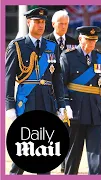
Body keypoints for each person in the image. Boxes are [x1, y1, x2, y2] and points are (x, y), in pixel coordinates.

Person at [5, 7, 68, 175]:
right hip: (26, 101)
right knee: (24, 147)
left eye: (43, 22)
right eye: (37, 21)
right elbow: (8, 78)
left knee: (45, 148)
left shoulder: (52, 47)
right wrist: (9, 105)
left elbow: (57, 78)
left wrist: (61, 104)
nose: (41, 25)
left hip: (47, 102)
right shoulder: (17, 46)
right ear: (28, 22)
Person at [60, 26, 101, 175]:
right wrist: (65, 104)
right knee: (73, 154)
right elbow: (61, 83)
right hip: (75, 112)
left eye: (94, 40)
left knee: (96, 154)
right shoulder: (68, 56)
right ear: (80, 39)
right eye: (88, 40)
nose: (91, 43)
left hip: (96, 112)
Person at [43, 9, 78, 173]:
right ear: (53, 24)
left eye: (66, 24)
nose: (64, 27)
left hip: (68, 93)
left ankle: (66, 164)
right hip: (49, 92)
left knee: (67, 129)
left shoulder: (74, 42)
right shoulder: (44, 42)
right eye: (60, 24)